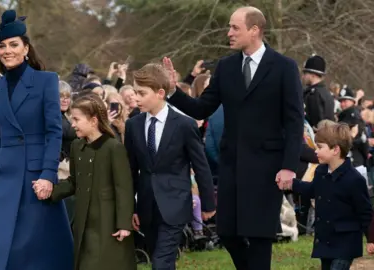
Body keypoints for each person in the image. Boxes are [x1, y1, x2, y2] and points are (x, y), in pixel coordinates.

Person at [164, 6, 304, 269]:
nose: (228, 33)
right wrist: (174, 91)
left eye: (234, 27)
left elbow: (294, 121)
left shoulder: (284, 67)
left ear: (254, 30)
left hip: (268, 168)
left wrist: (288, 167)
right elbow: (202, 108)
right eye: (229, 27)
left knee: (260, 236)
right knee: (227, 233)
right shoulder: (226, 67)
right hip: (232, 166)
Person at [0, 10, 73, 270]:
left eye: (13, 45)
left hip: (35, 175)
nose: (7, 50)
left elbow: (54, 132)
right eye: (2, 46)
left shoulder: (46, 81)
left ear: (26, 48)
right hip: (4, 174)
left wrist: (48, 173)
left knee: (34, 249)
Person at [124, 63, 216, 269]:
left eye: (141, 93)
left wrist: (208, 203)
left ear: (160, 93)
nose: (136, 98)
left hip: (175, 204)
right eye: (135, 92)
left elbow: (201, 166)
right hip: (146, 206)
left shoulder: (184, 124)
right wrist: (131, 208)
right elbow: (130, 170)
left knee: (161, 262)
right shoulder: (133, 125)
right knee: (161, 258)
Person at [34, 94, 136, 270]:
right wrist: (51, 190)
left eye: (76, 119)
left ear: (93, 120)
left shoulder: (113, 148)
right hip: (83, 223)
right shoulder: (76, 146)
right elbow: (74, 181)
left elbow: (124, 188)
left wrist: (124, 224)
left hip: (107, 224)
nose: (72, 124)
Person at [281, 123, 372, 270]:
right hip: (325, 239)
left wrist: (371, 239)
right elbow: (313, 189)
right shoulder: (321, 171)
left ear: (335, 149)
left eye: (320, 147)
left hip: (345, 242)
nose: (315, 151)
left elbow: (365, 211)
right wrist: (291, 184)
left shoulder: (354, 179)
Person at [302, 54, 335, 128]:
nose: (303, 76)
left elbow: (315, 123)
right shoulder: (326, 93)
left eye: (305, 73)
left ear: (313, 75)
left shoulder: (314, 94)